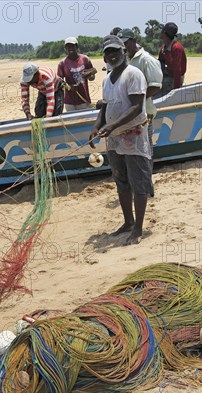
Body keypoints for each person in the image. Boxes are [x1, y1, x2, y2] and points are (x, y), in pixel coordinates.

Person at [89, 35, 153, 245]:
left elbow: (136, 106)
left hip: (133, 136)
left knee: (138, 183)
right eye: (108, 52)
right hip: (114, 139)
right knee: (121, 181)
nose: (112, 55)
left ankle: (138, 229)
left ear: (123, 51)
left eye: (115, 50)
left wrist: (113, 125)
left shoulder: (133, 74)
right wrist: (97, 127)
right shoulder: (107, 79)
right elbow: (106, 106)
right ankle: (127, 222)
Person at [118, 28, 163, 159]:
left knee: (145, 150)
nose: (124, 48)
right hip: (128, 114)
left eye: (126, 44)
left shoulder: (146, 60)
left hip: (144, 113)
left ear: (133, 41)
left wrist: (136, 100)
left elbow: (155, 86)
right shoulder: (125, 60)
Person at [57, 37, 97, 111]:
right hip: (70, 102)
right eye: (68, 46)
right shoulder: (62, 63)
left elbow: (92, 77)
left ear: (77, 46)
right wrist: (69, 87)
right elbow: (59, 81)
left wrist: (89, 76)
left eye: (72, 46)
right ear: (65, 48)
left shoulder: (85, 59)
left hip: (84, 100)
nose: (70, 48)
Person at [157, 22, 187, 96]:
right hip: (167, 75)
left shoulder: (176, 48)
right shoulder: (164, 48)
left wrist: (175, 91)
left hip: (175, 78)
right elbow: (159, 64)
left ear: (164, 33)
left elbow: (177, 70)